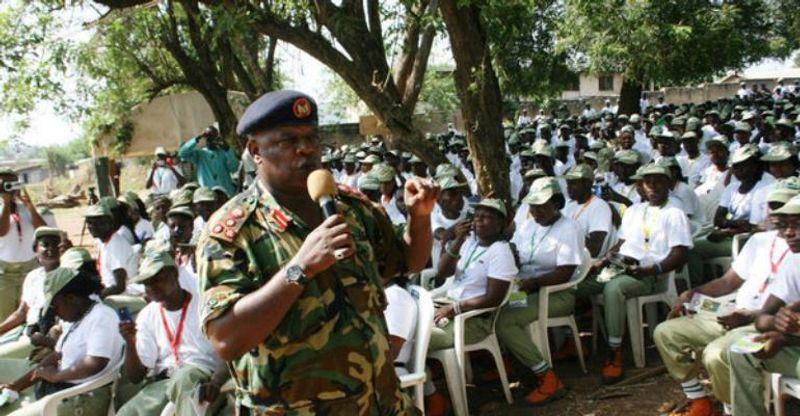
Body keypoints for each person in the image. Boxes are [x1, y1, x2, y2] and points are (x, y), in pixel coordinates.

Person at [197, 90, 438, 415]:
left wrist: (420, 219)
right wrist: (299, 269)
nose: (306, 149)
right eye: (288, 140)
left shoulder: (350, 207)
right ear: (255, 151)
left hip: (382, 402)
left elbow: (408, 261)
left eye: (312, 138)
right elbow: (226, 339)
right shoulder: (232, 232)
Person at [653, 181, 800, 416]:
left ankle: (731, 407)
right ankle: (699, 400)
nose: (780, 217)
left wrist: (767, 324)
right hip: (735, 312)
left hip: (752, 322)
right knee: (666, 332)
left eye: (790, 212)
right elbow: (728, 282)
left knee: (718, 354)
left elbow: (775, 318)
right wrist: (693, 293)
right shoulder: (760, 241)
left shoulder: (794, 251)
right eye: (775, 208)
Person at [578, 163, 692, 385]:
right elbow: (620, 243)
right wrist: (603, 260)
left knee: (614, 289)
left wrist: (652, 269)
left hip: (651, 274)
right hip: (621, 267)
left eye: (659, 181)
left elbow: (680, 254)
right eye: (648, 182)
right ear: (641, 186)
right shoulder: (633, 211)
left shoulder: (674, 213)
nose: (653, 186)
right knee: (578, 285)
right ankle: (574, 343)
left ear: (669, 184)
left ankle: (615, 352)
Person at [497, 178, 583, 406]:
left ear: (557, 204)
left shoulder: (568, 228)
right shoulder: (529, 224)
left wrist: (532, 283)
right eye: (533, 207)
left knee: (505, 321)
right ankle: (510, 361)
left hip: (555, 294)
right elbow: (516, 250)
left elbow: (564, 273)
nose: (536, 212)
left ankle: (547, 377)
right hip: (527, 290)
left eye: (542, 207)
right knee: (495, 308)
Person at [116, 250, 231, 416]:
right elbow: (136, 377)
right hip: (164, 382)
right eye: (147, 283)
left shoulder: (205, 305)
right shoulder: (147, 314)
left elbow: (229, 350)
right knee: (126, 413)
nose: (152, 287)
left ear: (175, 275)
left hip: (201, 378)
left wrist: (216, 381)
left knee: (185, 377)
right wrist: (130, 342)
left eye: (158, 279)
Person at [0, 267, 123, 416]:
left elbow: (96, 363)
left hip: (81, 396)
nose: (55, 313)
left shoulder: (102, 316)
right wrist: (17, 386)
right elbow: (56, 356)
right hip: (61, 387)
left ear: (71, 298)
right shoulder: (76, 318)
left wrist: (56, 376)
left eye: (55, 306)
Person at [727, 194, 800, 416]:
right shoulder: (794, 262)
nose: (788, 233)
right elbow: (762, 319)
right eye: (787, 225)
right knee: (741, 351)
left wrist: (785, 338)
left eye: (798, 225)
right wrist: (777, 323)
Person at [687, 144, 774, 284]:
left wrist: (727, 231)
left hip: (747, 239)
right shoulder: (732, 188)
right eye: (736, 167)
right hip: (731, 233)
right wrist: (733, 225)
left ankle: (701, 286)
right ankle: (701, 285)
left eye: (744, 166)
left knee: (694, 249)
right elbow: (718, 219)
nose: (739, 171)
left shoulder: (764, 187)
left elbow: (754, 226)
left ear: (755, 165)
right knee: (692, 246)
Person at [0, 228, 61, 360]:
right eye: (45, 244)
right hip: (25, 330)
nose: (51, 249)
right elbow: (21, 313)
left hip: (42, 337)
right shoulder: (33, 276)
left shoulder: (66, 276)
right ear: (35, 249)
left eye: (56, 245)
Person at [0, 169, 46, 323]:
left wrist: (30, 206)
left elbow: (42, 230)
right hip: (5, 274)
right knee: (5, 317)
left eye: (13, 183)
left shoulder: (25, 209)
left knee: (31, 316)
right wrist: (6, 204)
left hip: (30, 269)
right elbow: (2, 231)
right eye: (5, 184)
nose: (10, 188)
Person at [85, 204, 145, 312]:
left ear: (110, 223)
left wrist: (98, 297)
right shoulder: (105, 243)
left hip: (125, 295)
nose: (93, 226)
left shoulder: (116, 244)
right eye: (89, 223)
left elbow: (119, 286)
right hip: (115, 292)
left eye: (99, 223)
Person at [563, 164, 613, 258]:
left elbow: (593, 250)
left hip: (584, 263)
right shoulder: (570, 204)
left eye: (573, 183)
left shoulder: (599, 207)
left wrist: (568, 232)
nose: (568, 188)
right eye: (568, 183)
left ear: (588, 184)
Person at [178, 126, 239, 196]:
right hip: (208, 195)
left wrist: (228, 150)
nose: (210, 140)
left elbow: (234, 168)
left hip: (226, 193)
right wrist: (198, 138)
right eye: (208, 137)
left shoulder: (224, 152)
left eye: (213, 137)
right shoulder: (200, 154)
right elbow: (182, 153)